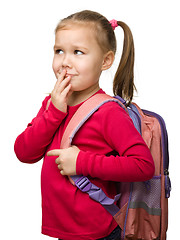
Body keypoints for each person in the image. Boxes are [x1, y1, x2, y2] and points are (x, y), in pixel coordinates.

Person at [14, 10, 155, 240]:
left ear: (105, 61)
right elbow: (24, 152)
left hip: (98, 232)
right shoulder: (52, 104)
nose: (65, 62)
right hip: (65, 231)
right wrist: (53, 113)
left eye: (78, 52)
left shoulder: (108, 112)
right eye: (59, 51)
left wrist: (82, 162)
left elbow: (142, 166)